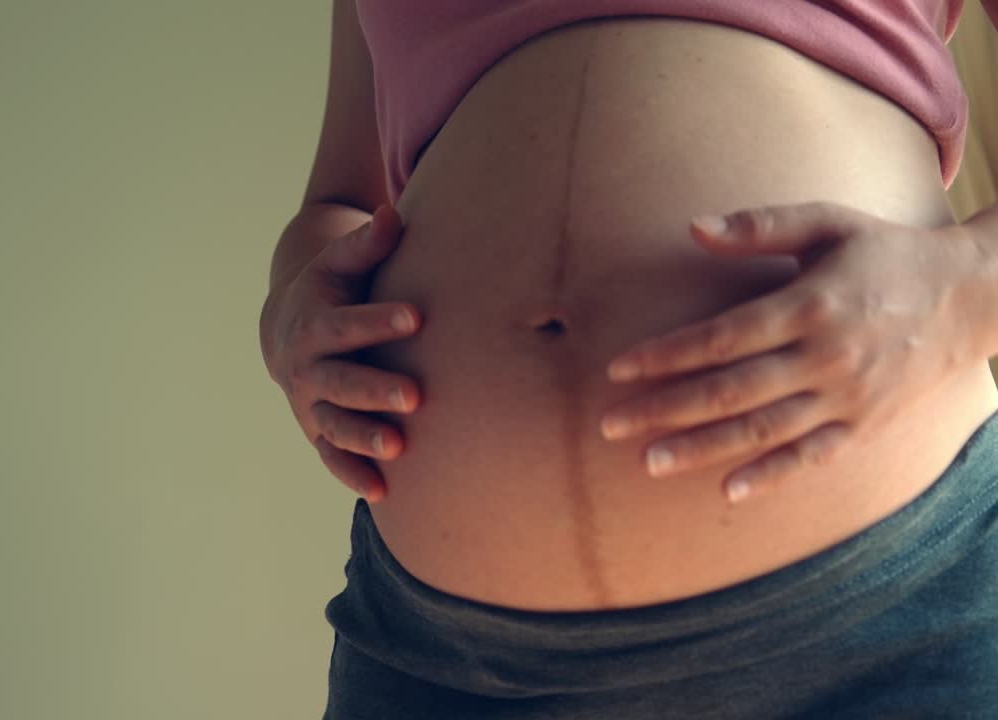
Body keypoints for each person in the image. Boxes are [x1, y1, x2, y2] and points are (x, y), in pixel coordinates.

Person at [259, 1, 998, 717]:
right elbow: (338, 203)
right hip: (443, 661)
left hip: (896, 618)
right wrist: (289, 315)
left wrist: (960, 290)